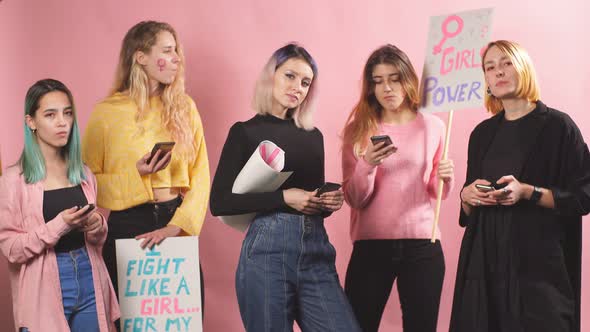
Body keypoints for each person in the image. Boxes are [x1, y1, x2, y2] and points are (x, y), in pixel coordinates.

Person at [210, 43, 360, 332]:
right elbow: (220, 203)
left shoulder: (313, 136)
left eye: (305, 82)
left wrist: (326, 202)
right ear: (271, 75)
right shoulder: (244, 132)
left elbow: (309, 199)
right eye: (290, 76)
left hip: (316, 248)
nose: (298, 87)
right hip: (267, 251)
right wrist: (284, 197)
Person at [449, 40, 590, 332]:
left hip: (537, 270)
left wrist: (529, 192)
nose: (498, 72)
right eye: (490, 67)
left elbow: (584, 196)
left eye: (506, 63)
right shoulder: (482, 134)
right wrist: (466, 195)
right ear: (485, 80)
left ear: (523, 68)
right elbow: (468, 209)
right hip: (485, 268)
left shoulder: (559, 127)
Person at [82, 21, 210, 308]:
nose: (177, 57)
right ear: (140, 57)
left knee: (182, 321)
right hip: (127, 225)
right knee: (134, 321)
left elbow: (201, 176)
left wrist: (177, 226)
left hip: (174, 220)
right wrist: (135, 174)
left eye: (176, 50)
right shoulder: (106, 113)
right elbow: (86, 182)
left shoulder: (184, 107)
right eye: (167, 50)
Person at [341, 44, 454, 332]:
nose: (386, 88)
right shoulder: (359, 128)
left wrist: (445, 178)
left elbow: (433, 191)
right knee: (357, 326)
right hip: (370, 246)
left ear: (408, 80)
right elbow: (354, 198)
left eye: (394, 79)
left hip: (422, 246)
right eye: (378, 81)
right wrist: (367, 163)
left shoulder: (434, 126)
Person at [0, 79, 119, 331]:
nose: (62, 122)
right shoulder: (13, 180)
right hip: (43, 285)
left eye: (67, 113)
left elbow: (96, 242)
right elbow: (11, 249)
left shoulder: (84, 174)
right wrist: (58, 226)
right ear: (31, 122)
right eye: (50, 115)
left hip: (89, 276)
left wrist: (97, 224)